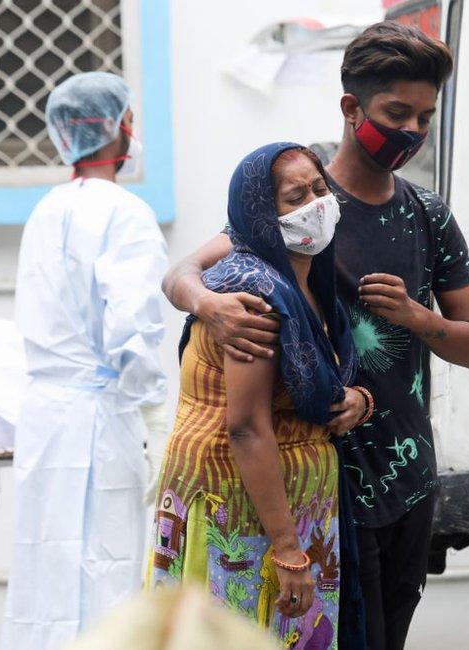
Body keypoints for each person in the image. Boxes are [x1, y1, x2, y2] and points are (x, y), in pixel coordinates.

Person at [162, 22, 469, 650]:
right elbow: (184, 270)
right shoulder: (300, 199)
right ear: (351, 108)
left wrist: (416, 318)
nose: (412, 133)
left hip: (407, 473)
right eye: (397, 113)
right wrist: (211, 306)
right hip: (328, 483)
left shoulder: (428, 215)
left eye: (425, 117)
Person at [147, 143, 367, 650]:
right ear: (262, 215)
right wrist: (288, 551)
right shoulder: (253, 297)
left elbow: (326, 380)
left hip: (297, 507)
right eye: (295, 197)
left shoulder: (311, 279)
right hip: (243, 511)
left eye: (319, 189)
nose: (315, 204)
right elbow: (246, 427)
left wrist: (359, 400)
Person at [2, 71, 168, 649]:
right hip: (101, 417)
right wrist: (154, 415)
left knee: (43, 574)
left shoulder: (45, 212)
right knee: (109, 574)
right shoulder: (125, 214)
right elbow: (133, 325)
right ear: (120, 127)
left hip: (46, 419)